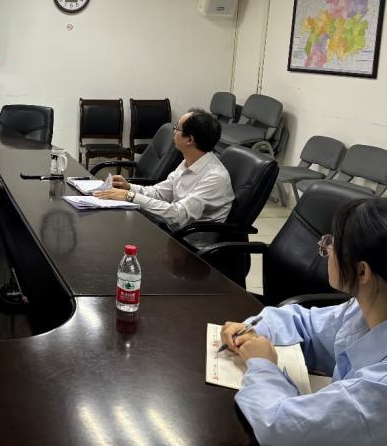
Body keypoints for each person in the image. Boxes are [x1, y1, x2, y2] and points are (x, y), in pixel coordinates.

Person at [220, 197, 387, 445]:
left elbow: (280, 427)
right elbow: (304, 323)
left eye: (332, 243)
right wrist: (254, 328)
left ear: (362, 271)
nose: (327, 249)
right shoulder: (365, 309)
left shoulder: (379, 387)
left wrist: (262, 364)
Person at [94, 108, 234, 231]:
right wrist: (129, 187)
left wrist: (130, 196)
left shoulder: (215, 177)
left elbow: (178, 215)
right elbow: (159, 193)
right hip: (167, 229)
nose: (174, 132)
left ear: (189, 140)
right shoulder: (188, 162)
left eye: (177, 128)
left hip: (186, 245)